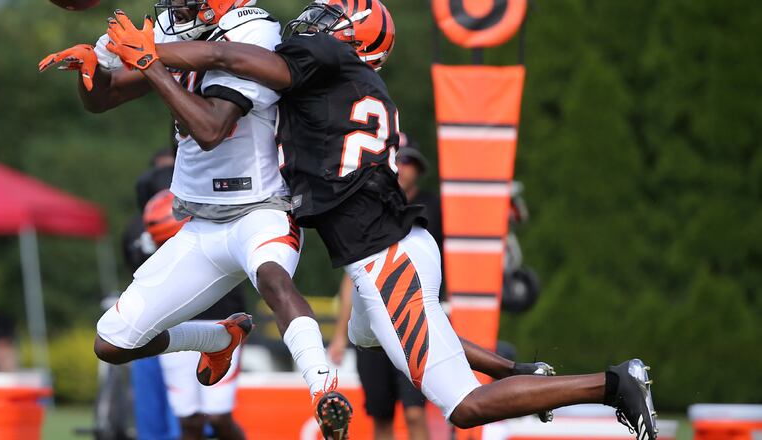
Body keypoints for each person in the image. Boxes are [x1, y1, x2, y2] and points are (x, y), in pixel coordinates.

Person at [103, 2, 658, 439]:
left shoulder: (328, 63)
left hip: (384, 256)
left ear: (354, 36)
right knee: (382, 335)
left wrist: (155, 53)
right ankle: (519, 373)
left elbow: (229, 60)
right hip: (390, 249)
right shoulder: (346, 80)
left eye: (331, 17)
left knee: (462, 406)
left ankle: (612, 385)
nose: (315, 21)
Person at [38, 2, 348, 438]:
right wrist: (91, 70)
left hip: (261, 207)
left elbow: (210, 129)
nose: (175, 7)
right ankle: (218, 339)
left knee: (274, 280)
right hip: (201, 222)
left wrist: (149, 62)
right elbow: (104, 98)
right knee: (112, 343)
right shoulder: (173, 25)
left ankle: (324, 390)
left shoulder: (252, 31)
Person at [327, 133, 438, 440]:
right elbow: (352, 276)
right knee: (381, 416)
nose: (401, 168)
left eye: (407, 161)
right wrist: (339, 336)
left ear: (418, 168)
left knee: (415, 413)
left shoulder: (433, 208)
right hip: (373, 323)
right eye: (396, 161)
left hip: (415, 322)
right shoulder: (366, 210)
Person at [145, 190, 247, 440]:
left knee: (218, 416)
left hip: (219, 325)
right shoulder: (155, 240)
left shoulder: (219, 232)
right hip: (175, 328)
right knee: (189, 421)